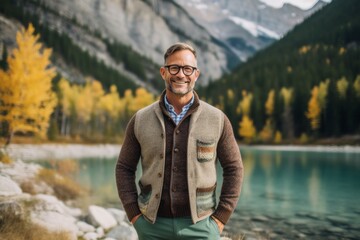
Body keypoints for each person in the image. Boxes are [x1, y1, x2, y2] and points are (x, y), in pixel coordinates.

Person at [116, 42, 244, 240]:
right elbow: (124, 167)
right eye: (174, 67)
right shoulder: (140, 119)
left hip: (202, 227)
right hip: (151, 227)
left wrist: (220, 219)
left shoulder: (217, 119)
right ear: (163, 72)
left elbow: (234, 168)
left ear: (196, 74)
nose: (181, 74)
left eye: (187, 69)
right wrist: (134, 215)